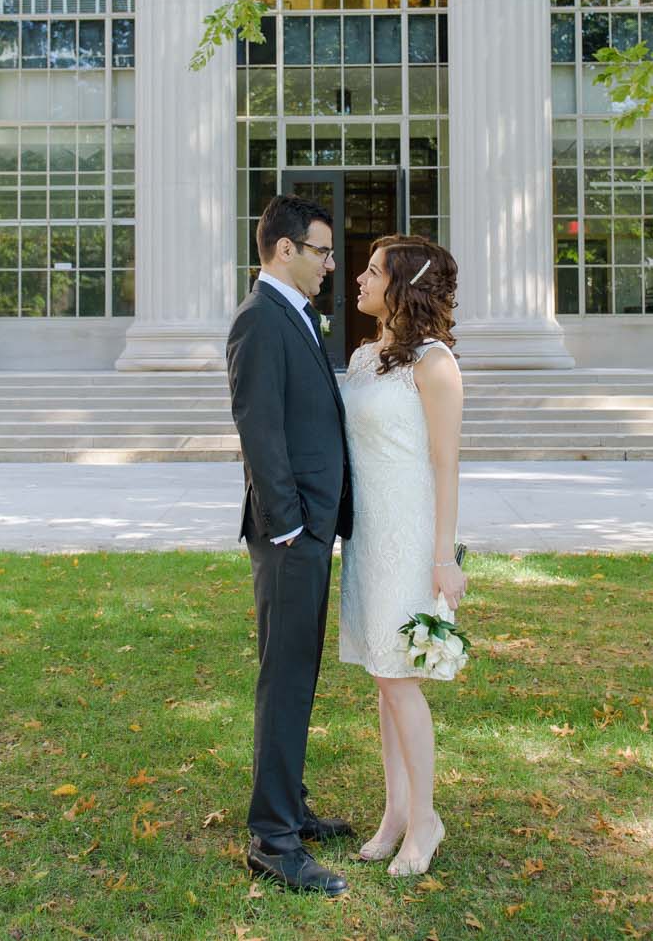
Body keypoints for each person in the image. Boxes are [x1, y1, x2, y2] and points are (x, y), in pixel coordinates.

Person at [224, 193, 357, 897]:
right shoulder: (258, 320)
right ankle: (272, 838)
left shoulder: (291, 315)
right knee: (284, 679)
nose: (331, 264)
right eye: (322, 250)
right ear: (284, 249)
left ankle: (290, 804)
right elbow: (259, 427)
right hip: (289, 533)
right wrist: (288, 525)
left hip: (307, 527)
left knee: (299, 673)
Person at [337, 234, 467, 878]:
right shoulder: (365, 357)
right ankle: (394, 812)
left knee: (400, 680)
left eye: (371, 270)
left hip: (412, 538)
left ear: (402, 286)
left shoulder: (435, 363)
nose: (358, 278)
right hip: (367, 536)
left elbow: (447, 465)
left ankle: (426, 819)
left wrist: (444, 558)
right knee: (383, 679)